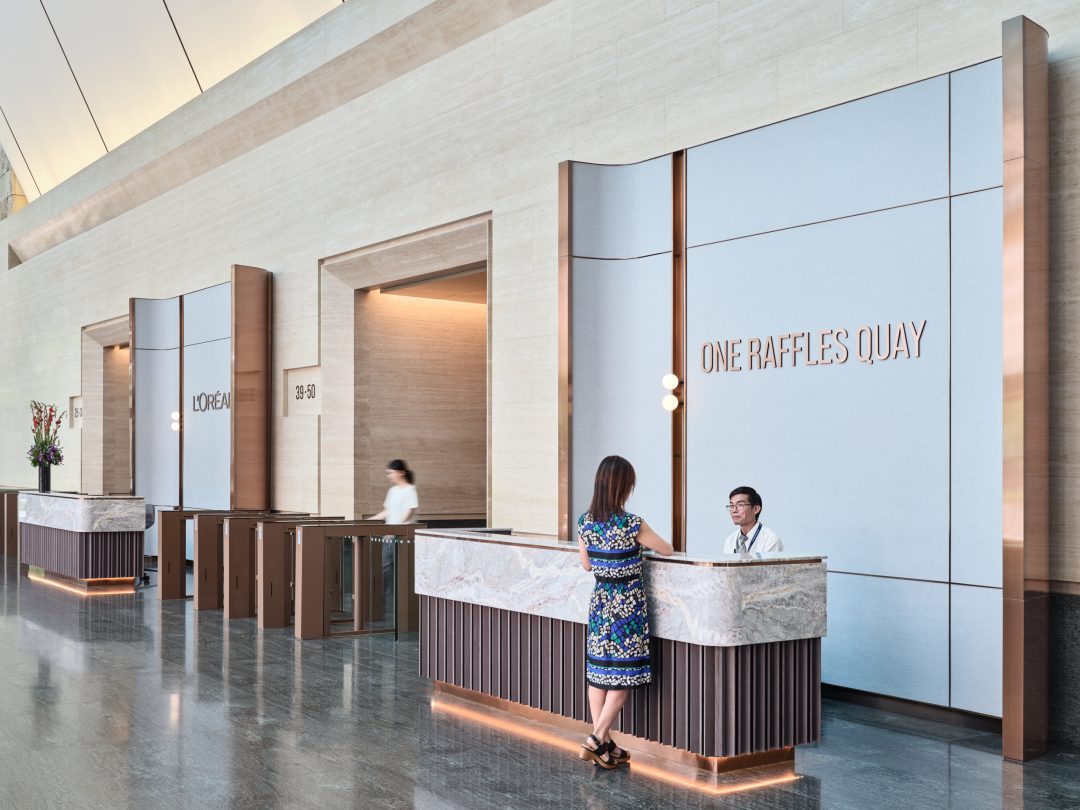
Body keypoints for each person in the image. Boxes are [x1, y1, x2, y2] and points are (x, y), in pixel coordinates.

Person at [576, 455, 673, 769]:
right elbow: (667, 549)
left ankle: (604, 744)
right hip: (627, 605)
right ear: (624, 486)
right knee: (623, 674)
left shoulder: (584, 522)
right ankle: (595, 739)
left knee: (600, 672)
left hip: (600, 602)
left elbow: (587, 564)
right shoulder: (632, 523)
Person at [722, 485, 783, 553]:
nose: (734, 510)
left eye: (740, 505)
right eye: (731, 506)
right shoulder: (730, 541)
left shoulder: (770, 540)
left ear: (755, 509)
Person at [371, 459, 418, 525]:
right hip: (391, 530)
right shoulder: (392, 490)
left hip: (403, 530)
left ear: (401, 472)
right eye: (388, 473)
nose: (389, 476)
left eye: (391, 473)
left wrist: (397, 527)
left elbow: (409, 512)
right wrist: (369, 521)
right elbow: (386, 512)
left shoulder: (410, 489)